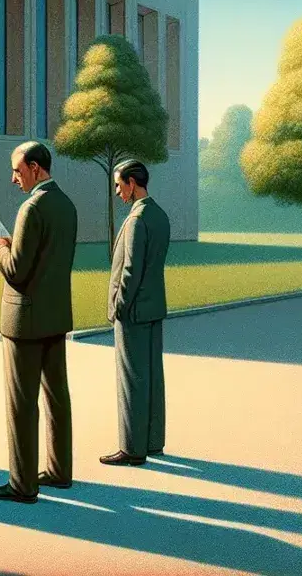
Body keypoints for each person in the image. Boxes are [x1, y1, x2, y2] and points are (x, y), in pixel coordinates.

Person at [0, 140, 78, 503]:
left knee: (21, 402)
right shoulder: (66, 205)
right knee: (57, 395)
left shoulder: (31, 208)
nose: (13, 179)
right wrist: (15, 244)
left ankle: (22, 484)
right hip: (55, 315)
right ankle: (59, 470)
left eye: (17, 170)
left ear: (35, 168)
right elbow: (46, 257)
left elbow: (17, 270)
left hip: (25, 319)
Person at [103, 159, 169, 466]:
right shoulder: (159, 215)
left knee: (131, 379)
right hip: (154, 307)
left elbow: (130, 270)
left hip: (133, 311)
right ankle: (153, 440)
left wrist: (119, 306)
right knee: (153, 377)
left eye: (119, 184)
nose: (117, 191)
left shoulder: (136, 220)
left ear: (133, 183)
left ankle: (131, 448)